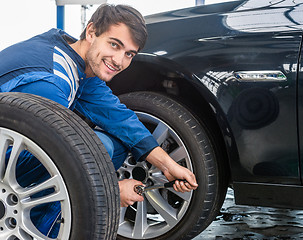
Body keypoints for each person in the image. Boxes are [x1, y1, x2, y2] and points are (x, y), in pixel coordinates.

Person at [0, 3, 198, 237]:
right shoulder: (50, 83)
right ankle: (37, 230)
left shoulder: (72, 56)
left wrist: (168, 165)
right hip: (6, 170)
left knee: (112, 145)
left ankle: (55, 216)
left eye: (129, 54)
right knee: (91, 149)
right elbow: (50, 155)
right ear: (92, 31)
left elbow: (119, 117)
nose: (119, 61)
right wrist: (107, 191)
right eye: (114, 45)